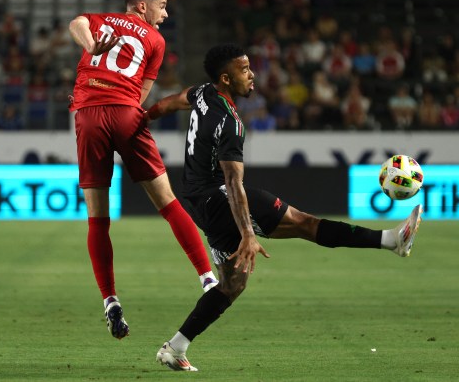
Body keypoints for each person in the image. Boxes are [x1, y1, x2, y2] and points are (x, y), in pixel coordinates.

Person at [145, 44, 423, 371]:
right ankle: (391, 240)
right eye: (244, 69)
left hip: (200, 204)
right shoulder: (231, 123)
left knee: (233, 284)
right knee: (306, 224)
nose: (252, 74)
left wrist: (142, 116)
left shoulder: (203, 93)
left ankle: (176, 347)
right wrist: (248, 234)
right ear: (225, 77)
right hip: (220, 198)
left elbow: (171, 102)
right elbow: (234, 184)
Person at [68, 0, 217, 341]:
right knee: (167, 203)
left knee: (97, 218)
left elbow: (76, 23)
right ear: (141, 7)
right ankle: (208, 278)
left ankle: (110, 300)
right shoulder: (155, 40)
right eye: (162, 6)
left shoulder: (98, 20)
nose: (165, 14)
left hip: (88, 114)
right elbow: (141, 93)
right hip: (125, 112)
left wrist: (91, 46)